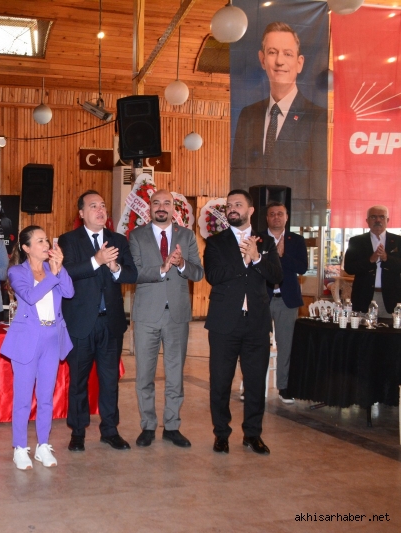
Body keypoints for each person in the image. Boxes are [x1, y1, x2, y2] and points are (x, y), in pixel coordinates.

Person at [204, 189, 282, 456]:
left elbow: (276, 275)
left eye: (238, 204)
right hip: (224, 324)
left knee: (256, 382)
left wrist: (257, 258)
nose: (232, 209)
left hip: (257, 324)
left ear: (250, 210)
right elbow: (213, 275)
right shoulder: (216, 242)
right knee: (220, 382)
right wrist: (243, 261)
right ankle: (221, 434)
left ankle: (253, 434)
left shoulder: (266, 242)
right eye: (229, 205)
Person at [59, 190, 138, 452]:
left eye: (103, 205)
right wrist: (97, 260)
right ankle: (77, 432)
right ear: (81, 213)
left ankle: (110, 430)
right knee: (78, 381)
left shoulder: (117, 240)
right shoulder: (69, 240)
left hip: (111, 323)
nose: (100, 210)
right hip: (81, 323)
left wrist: (115, 268)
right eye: (93, 206)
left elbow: (132, 274)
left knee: (110, 380)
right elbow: (66, 272)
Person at [128, 189, 204, 448]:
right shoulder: (137, 235)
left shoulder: (187, 236)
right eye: (156, 203)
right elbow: (134, 272)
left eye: (166, 203)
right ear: (149, 207)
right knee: (144, 375)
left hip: (177, 316)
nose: (161, 207)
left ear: (174, 208)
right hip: (146, 315)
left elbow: (198, 273)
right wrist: (162, 268)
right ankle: (148, 425)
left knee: (175, 375)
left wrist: (181, 264)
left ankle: (172, 426)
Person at [230, 21, 327, 224]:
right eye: (273, 52)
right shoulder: (248, 115)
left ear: (299, 63)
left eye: (288, 54)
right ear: (262, 59)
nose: (279, 61)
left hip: (294, 224)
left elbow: (317, 185)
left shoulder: (316, 117)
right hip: (253, 224)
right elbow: (239, 176)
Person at [1, 226, 74, 470]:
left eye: (46, 240)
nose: (46, 245)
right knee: (23, 398)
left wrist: (59, 268)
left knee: (45, 397)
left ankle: (43, 445)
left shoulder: (53, 268)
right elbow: (31, 297)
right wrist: (53, 275)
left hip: (52, 337)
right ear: (26, 248)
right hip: (26, 339)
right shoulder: (17, 272)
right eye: (40, 241)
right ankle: (20, 447)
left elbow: (69, 292)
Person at [260, 202, 308, 404]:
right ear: (267, 218)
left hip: (287, 300)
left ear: (287, 217)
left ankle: (284, 387)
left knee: (286, 346)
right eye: (272, 214)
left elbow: (303, 267)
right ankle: (253, 386)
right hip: (262, 298)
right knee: (256, 344)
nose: (276, 217)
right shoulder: (258, 238)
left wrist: (282, 256)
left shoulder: (296, 240)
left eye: (280, 214)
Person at [343, 205, 401, 318]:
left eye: (382, 217)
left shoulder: (398, 241)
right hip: (363, 298)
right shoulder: (356, 241)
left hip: (391, 299)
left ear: (388, 220)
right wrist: (370, 260)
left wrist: (387, 258)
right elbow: (349, 268)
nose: (378, 220)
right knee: (362, 329)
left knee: (390, 329)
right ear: (367, 221)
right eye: (373, 217)